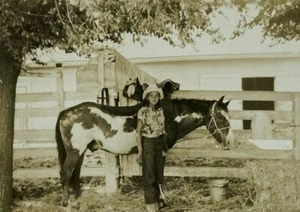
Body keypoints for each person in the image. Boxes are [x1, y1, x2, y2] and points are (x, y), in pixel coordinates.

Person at [136, 84, 167, 212]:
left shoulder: (160, 111)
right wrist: (140, 151)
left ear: (159, 97)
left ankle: (158, 203)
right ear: (147, 97)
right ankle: (151, 207)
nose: (154, 98)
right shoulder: (143, 111)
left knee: (158, 175)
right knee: (149, 177)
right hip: (148, 143)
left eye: (156, 95)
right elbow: (138, 132)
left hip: (160, 144)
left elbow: (163, 131)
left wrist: (164, 147)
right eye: (151, 95)